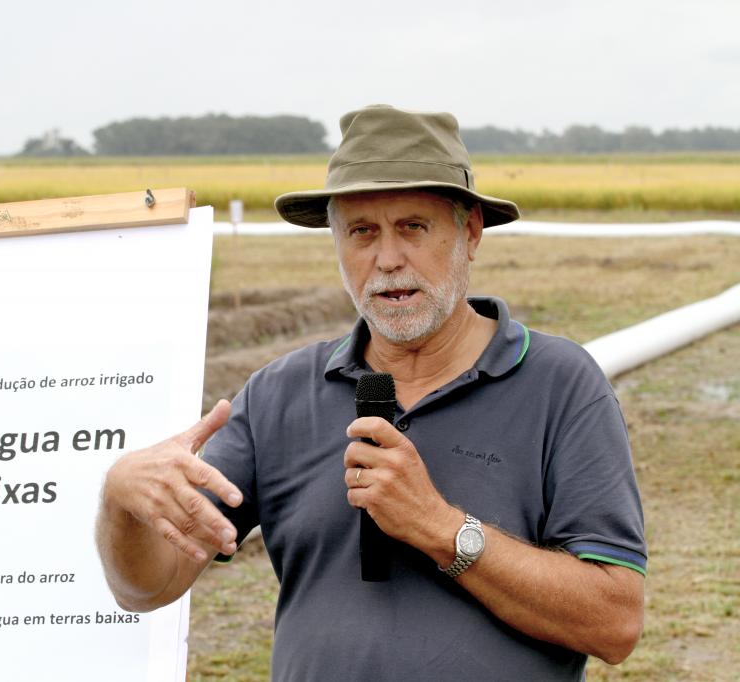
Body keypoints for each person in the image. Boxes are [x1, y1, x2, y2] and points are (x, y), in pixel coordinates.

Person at [95, 105, 646, 680]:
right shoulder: (281, 395)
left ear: (471, 232)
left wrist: (439, 527)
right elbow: (148, 589)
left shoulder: (559, 384)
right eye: (362, 232)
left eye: (413, 226)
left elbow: (613, 623)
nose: (387, 259)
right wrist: (120, 503)